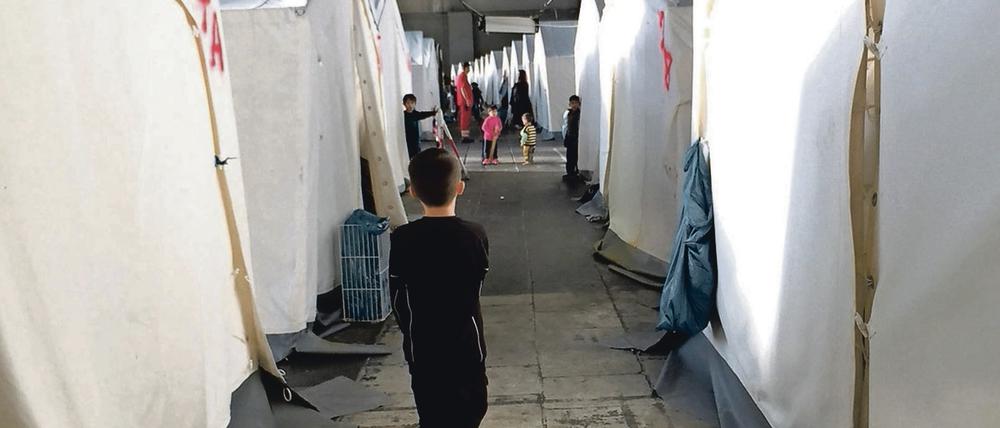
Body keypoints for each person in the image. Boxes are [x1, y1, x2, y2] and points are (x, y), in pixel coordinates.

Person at [390, 148, 490, 427]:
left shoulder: (403, 239)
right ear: (460, 188)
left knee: (431, 413)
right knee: (471, 411)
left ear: (412, 191)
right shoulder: (474, 234)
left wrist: (409, 333)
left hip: (424, 346)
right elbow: (477, 283)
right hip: (467, 343)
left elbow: (397, 297)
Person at [402, 94, 438, 159]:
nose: (410, 105)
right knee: (408, 155)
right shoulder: (403, 115)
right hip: (407, 140)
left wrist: (433, 113)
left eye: (412, 103)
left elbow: (423, 114)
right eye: (408, 103)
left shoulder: (415, 114)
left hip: (416, 140)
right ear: (404, 104)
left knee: (417, 155)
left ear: (415, 104)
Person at [562, 95, 581, 179]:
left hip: (576, 137)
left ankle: (576, 172)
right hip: (569, 137)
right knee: (569, 156)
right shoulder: (568, 113)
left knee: (576, 156)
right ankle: (570, 172)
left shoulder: (579, 114)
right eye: (572, 103)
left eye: (576, 103)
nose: (574, 105)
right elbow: (565, 126)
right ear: (569, 104)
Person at [455, 62, 474, 143]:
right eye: (468, 67)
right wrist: (467, 100)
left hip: (464, 101)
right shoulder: (462, 76)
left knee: (466, 118)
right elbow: (463, 89)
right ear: (465, 68)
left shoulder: (463, 76)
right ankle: (464, 137)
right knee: (465, 118)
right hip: (464, 102)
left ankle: (466, 136)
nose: (469, 69)